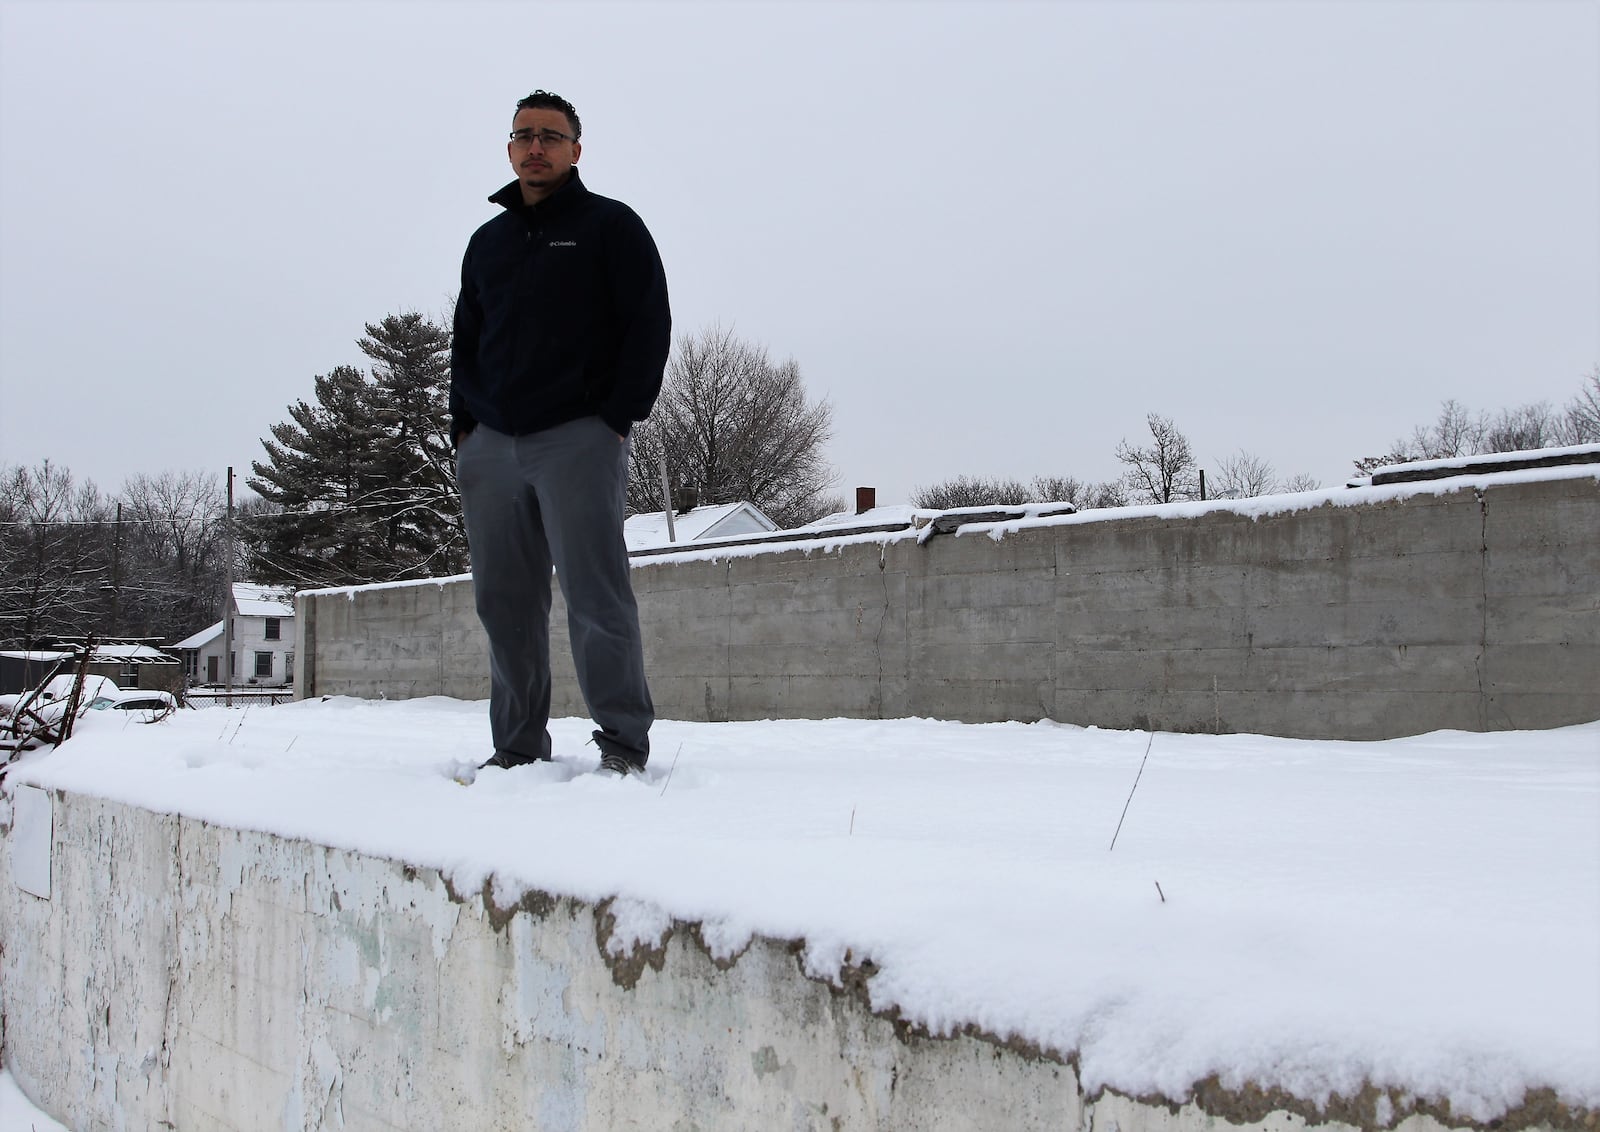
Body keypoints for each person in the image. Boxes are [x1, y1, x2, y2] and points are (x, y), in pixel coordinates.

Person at [450, 89, 670, 777]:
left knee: (595, 593)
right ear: (510, 149)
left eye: (550, 135)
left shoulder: (610, 227)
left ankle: (623, 742)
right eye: (523, 136)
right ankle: (516, 746)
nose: (535, 146)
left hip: (578, 435)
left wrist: (615, 419)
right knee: (504, 601)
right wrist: (464, 427)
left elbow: (647, 324)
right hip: (490, 444)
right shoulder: (487, 242)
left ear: (576, 149)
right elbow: (466, 339)